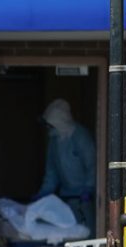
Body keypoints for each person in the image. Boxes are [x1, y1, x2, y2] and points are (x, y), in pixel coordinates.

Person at [33, 98, 97, 235]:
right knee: (68, 233)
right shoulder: (54, 140)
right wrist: (44, 192)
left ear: (59, 122)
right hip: (67, 196)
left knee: (87, 232)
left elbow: (92, 165)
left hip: (84, 198)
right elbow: (52, 171)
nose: (48, 129)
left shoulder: (81, 137)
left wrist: (89, 188)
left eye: (50, 125)